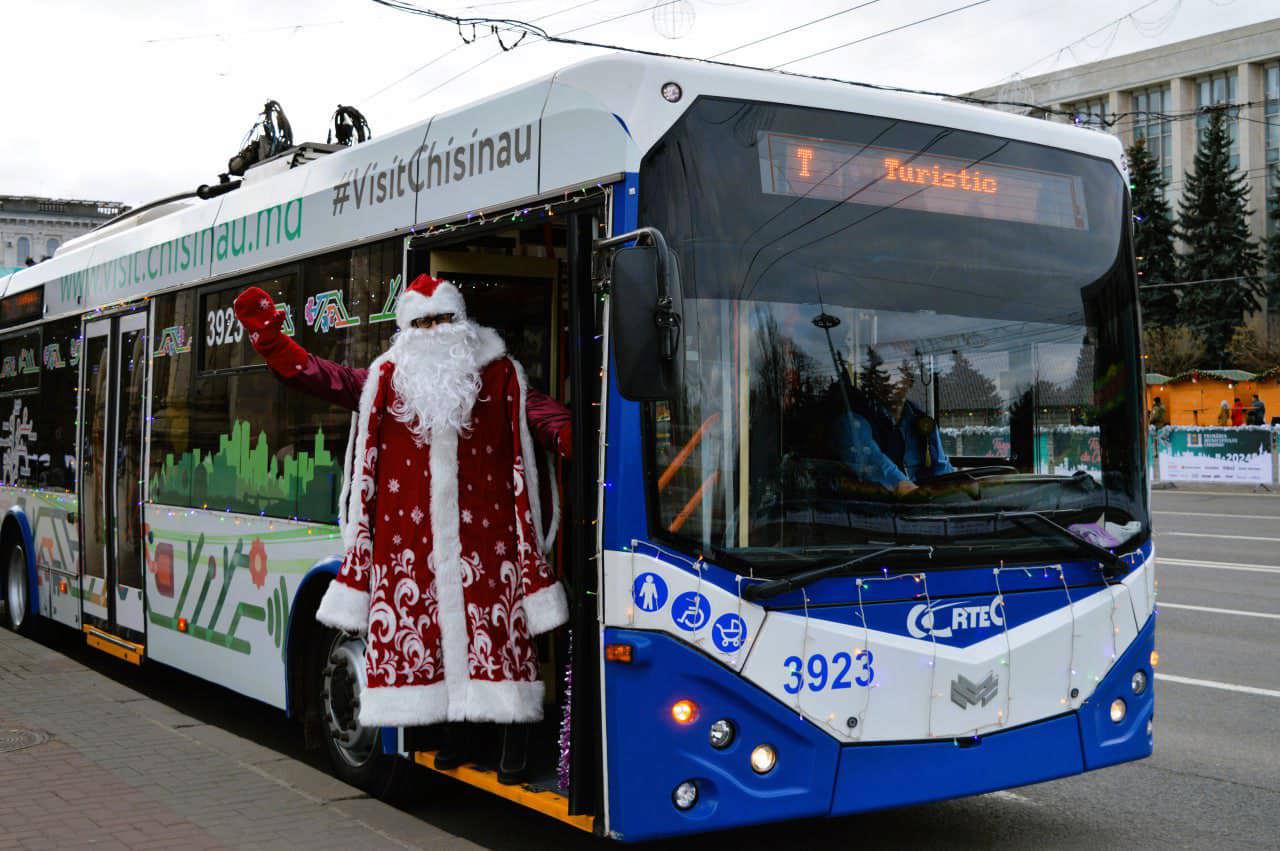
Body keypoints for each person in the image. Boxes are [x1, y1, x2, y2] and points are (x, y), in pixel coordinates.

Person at [237, 276, 569, 784]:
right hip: (416, 548)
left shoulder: (502, 375)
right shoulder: (387, 379)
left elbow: (544, 418)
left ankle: (514, 745)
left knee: (498, 642)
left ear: (461, 322)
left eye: (442, 320)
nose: (434, 331)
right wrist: (273, 343)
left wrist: (576, 434)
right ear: (408, 329)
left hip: (488, 542)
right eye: (423, 322)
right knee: (434, 644)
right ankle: (460, 737)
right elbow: (323, 378)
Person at [831, 384, 954, 495]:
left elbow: (942, 471)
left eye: (900, 373)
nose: (893, 382)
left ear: (910, 379)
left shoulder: (922, 421)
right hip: (881, 512)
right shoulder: (855, 423)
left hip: (920, 510)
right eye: (886, 372)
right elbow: (877, 465)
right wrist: (916, 494)